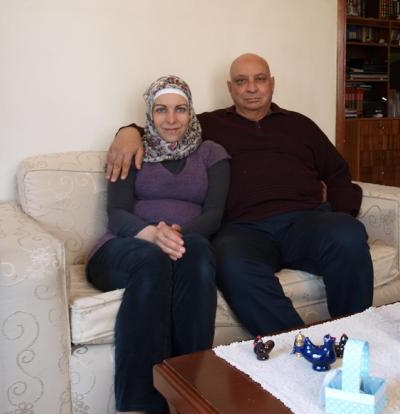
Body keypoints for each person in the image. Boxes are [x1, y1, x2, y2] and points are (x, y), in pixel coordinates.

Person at [106, 53, 373, 337]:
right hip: (243, 230)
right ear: (230, 88)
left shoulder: (300, 125)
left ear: (272, 84)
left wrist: (342, 215)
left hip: (305, 222)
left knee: (347, 233)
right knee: (231, 265)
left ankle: (353, 339)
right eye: (241, 81)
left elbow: (337, 173)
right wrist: (127, 132)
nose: (251, 88)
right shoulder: (208, 125)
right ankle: (297, 345)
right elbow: (167, 125)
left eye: (259, 79)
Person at [87, 75, 230, 414]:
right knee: (152, 261)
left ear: (191, 112)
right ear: (149, 114)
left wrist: (174, 235)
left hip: (184, 242)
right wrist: (151, 234)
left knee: (197, 255)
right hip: (125, 246)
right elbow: (116, 214)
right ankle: (141, 403)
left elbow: (213, 215)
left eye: (180, 110)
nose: (171, 119)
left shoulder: (212, 153)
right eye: (161, 110)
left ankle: (189, 389)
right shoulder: (132, 148)